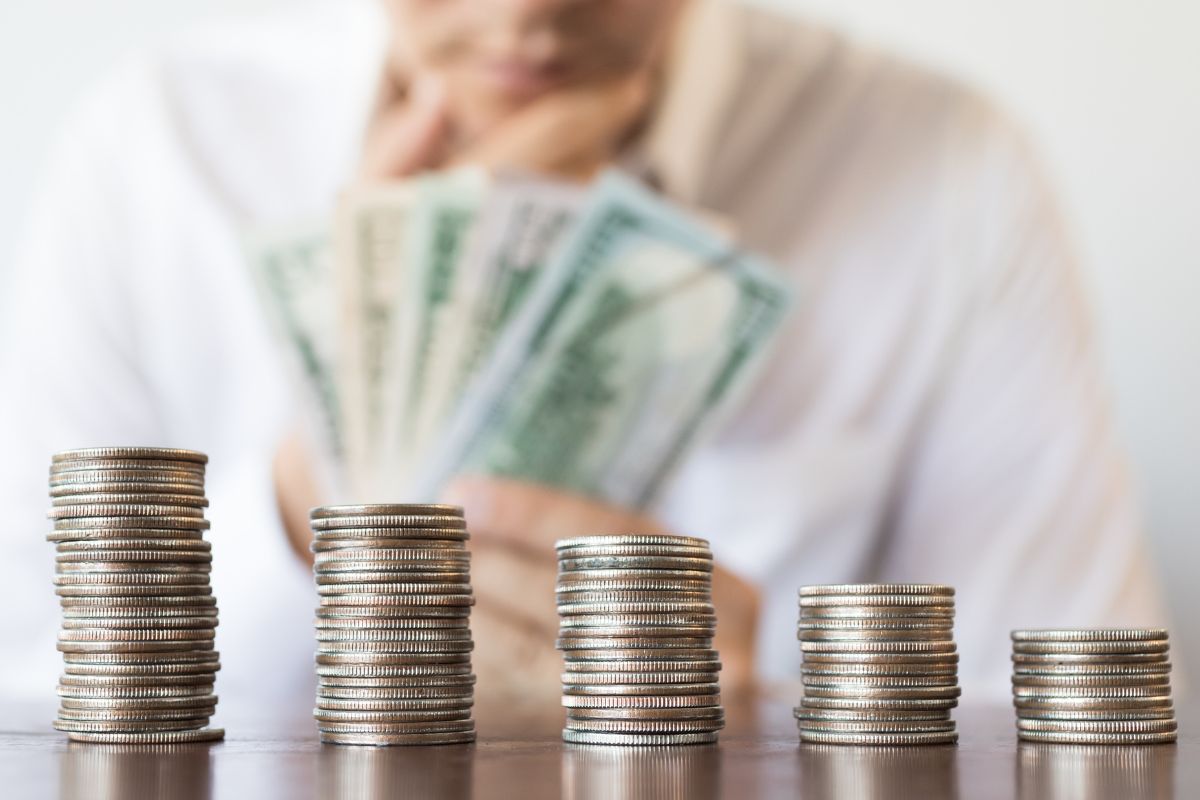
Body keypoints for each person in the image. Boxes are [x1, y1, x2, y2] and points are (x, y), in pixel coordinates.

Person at [0, 0, 1168, 709]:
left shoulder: (948, 178)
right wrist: (308, 507)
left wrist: (763, 737)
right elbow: (26, 694)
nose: (525, 19)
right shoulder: (155, 151)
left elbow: (1055, 721)